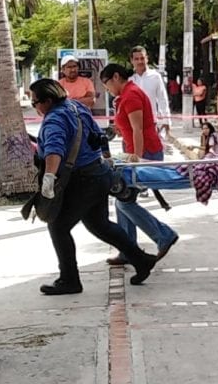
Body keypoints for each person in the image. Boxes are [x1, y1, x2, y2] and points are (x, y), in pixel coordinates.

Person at [29, 78, 157, 295]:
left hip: (82, 181)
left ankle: (69, 280)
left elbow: (54, 150)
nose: (35, 108)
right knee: (99, 224)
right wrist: (106, 158)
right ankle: (141, 260)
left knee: (58, 226)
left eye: (35, 103)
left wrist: (49, 178)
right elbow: (99, 136)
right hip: (99, 173)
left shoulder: (54, 120)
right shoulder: (76, 107)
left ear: (48, 101)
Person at [100, 64, 179, 264]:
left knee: (124, 202)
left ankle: (163, 235)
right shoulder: (125, 95)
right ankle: (128, 250)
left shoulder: (131, 95)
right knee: (122, 199)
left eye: (106, 83)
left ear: (116, 77)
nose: (107, 89)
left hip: (146, 152)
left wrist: (137, 159)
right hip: (135, 152)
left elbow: (138, 129)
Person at [129, 46, 172, 138]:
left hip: (151, 123)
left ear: (147, 59)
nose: (140, 61)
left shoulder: (155, 76)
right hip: (132, 124)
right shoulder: (129, 79)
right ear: (132, 61)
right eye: (136, 59)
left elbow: (162, 99)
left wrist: (166, 121)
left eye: (142, 58)